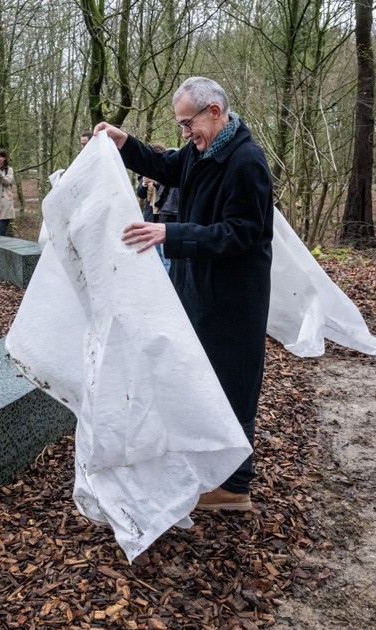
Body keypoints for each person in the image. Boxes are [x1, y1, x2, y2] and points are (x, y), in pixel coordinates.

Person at [94, 76, 273, 512]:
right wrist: (124, 142)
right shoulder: (202, 151)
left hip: (233, 298)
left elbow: (244, 233)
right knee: (201, 382)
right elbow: (169, 167)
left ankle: (234, 487)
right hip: (199, 287)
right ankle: (207, 469)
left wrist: (171, 233)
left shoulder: (245, 161)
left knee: (232, 385)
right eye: (180, 125)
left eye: (187, 123)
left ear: (214, 111)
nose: (185, 133)